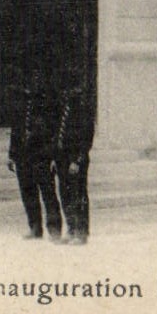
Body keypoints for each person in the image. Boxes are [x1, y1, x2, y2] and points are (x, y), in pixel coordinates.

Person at [8, 76, 63, 240]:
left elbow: (54, 134)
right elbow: (15, 131)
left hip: (42, 157)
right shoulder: (20, 107)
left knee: (48, 194)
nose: (29, 90)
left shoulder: (47, 108)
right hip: (23, 157)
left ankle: (54, 229)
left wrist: (53, 156)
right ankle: (35, 227)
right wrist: (11, 155)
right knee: (28, 193)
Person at [54, 68, 95, 244]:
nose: (67, 93)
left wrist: (77, 160)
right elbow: (57, 135)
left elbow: (86, 138)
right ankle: (71, 228)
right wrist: (55, 158)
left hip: (75, 159)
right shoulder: (62, 109)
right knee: (65, 193)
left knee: (78, 194)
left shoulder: (83, 110)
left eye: (70, 89)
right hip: (61, 158)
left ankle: (81, 232)